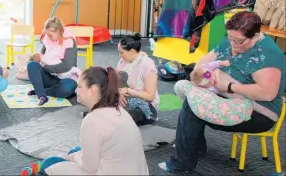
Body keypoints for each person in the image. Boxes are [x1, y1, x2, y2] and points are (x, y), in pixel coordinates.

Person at [160, 11, 285, 173]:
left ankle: (182, 164)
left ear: (254, 36)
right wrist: (206, 77)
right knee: (194, 96)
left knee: (192, 104)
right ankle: (194, 146)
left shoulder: (267, 54)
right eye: (230, 38)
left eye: (238, 40)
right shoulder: (231, 40)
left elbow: (267, 94)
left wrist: (229, 87)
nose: (232, 43)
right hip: (227, 93)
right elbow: (202, 64)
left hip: (259, 111)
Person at [38, 67, 149, 175]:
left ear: (93, 90)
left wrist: (72, 157)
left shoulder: (92, 120)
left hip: (107, 170)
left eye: (80, 87)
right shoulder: (120, 110)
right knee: (78, 151)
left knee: (49, 167)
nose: (76, 90)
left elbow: (89, 168)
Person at [175, 60, 254, 126]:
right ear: (201, 86)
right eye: (209, 83)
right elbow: (213, 97)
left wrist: (222, 63)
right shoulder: (207, 90)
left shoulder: (206, 68)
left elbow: (214, 64)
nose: (213, 81)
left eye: (211, 76)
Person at [27, 17, 79, 106]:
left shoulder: (69, 41)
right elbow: (43, 57)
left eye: (50, 35)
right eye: (47, 35)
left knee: (68, 88)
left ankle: (41, 90)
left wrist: (47, 68)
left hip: (66, 77)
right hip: (50, 77)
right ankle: (42, 95)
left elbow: (67, 65)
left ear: (59, 31)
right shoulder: (47, 40)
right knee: (32, 65)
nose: (49, 38)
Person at [116, 33, 160, 125]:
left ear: (131, 51)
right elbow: (117, 83)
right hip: (127, 100)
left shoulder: (147, 64)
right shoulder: (122, 61)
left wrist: (128, 90)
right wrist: (119, 94)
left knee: (128, 115)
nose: (120, 56)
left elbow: (150, 96)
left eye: (122, 52)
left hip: (147, 106)